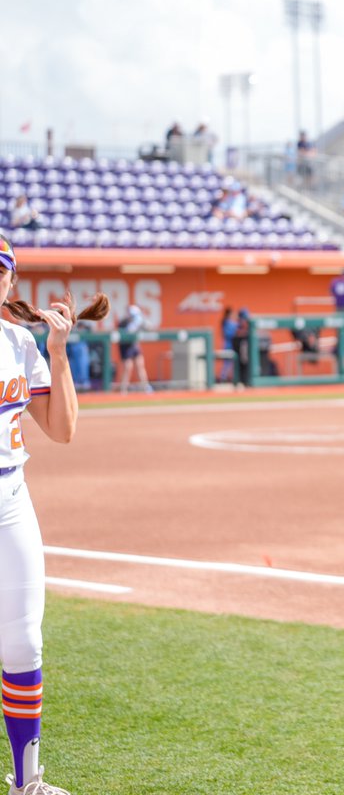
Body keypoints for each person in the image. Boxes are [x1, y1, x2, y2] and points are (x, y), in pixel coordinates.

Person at [0, 232, 109, 795]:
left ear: (10, 280)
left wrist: (59, 351)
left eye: (0, 270)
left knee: (23, 644)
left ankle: (27, 783)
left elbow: (62, 429)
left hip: (10, 501)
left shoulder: (19, 342)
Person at [116, 304, 152, 394]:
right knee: (127, 367)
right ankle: (123, 389)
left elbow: (149, 327)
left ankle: (145, 387)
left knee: (140, 365)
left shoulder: (139, 320)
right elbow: (128, 331)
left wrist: (142, 322)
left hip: (134, 344)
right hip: (125, 346)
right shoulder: (123, 322)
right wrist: (134, 324)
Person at [219, 307, 238, 383]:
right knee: (227, 363)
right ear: (229, 314)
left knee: (232, 363)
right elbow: (230, 333)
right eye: (232, 314)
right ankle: (222, 378)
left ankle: (228, 378)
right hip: (228, 345)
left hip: (231, 345)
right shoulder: (227, 322)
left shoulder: (230, 322)